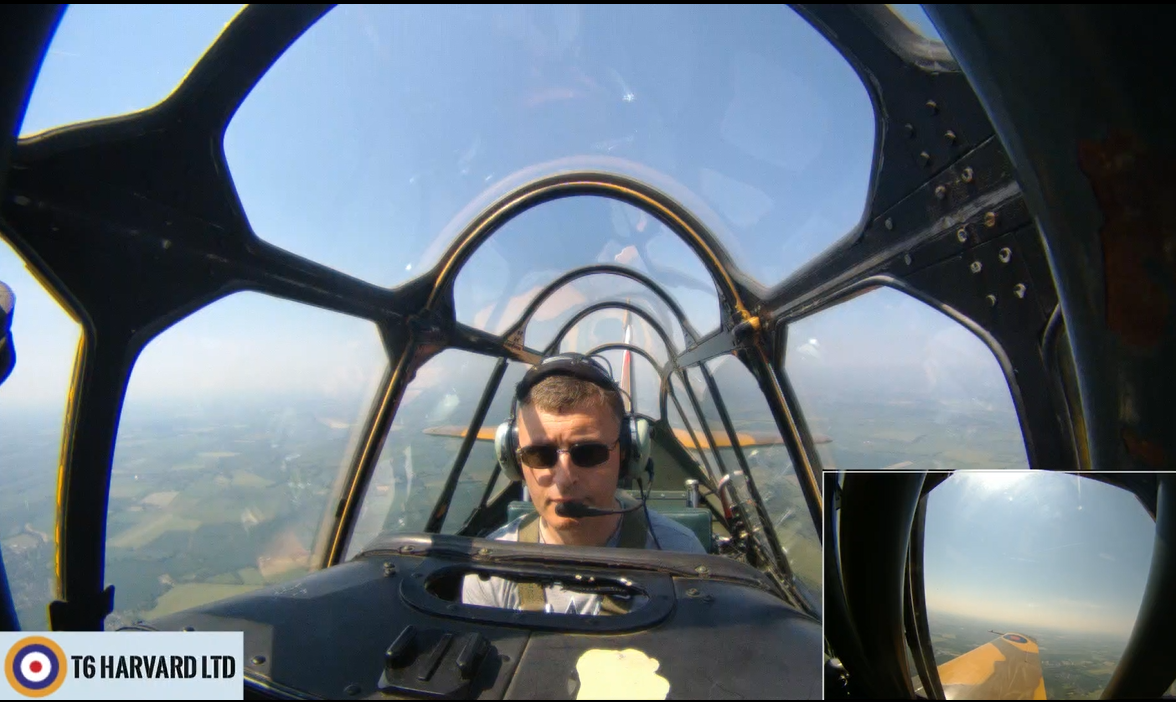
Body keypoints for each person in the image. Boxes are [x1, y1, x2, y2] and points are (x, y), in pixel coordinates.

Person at [461, 353, 705, 615]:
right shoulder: (490, 571)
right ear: (513, 459)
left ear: (628, 454)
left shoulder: (683, 559)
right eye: (540, 455)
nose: (565, 479)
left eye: (588, 453)